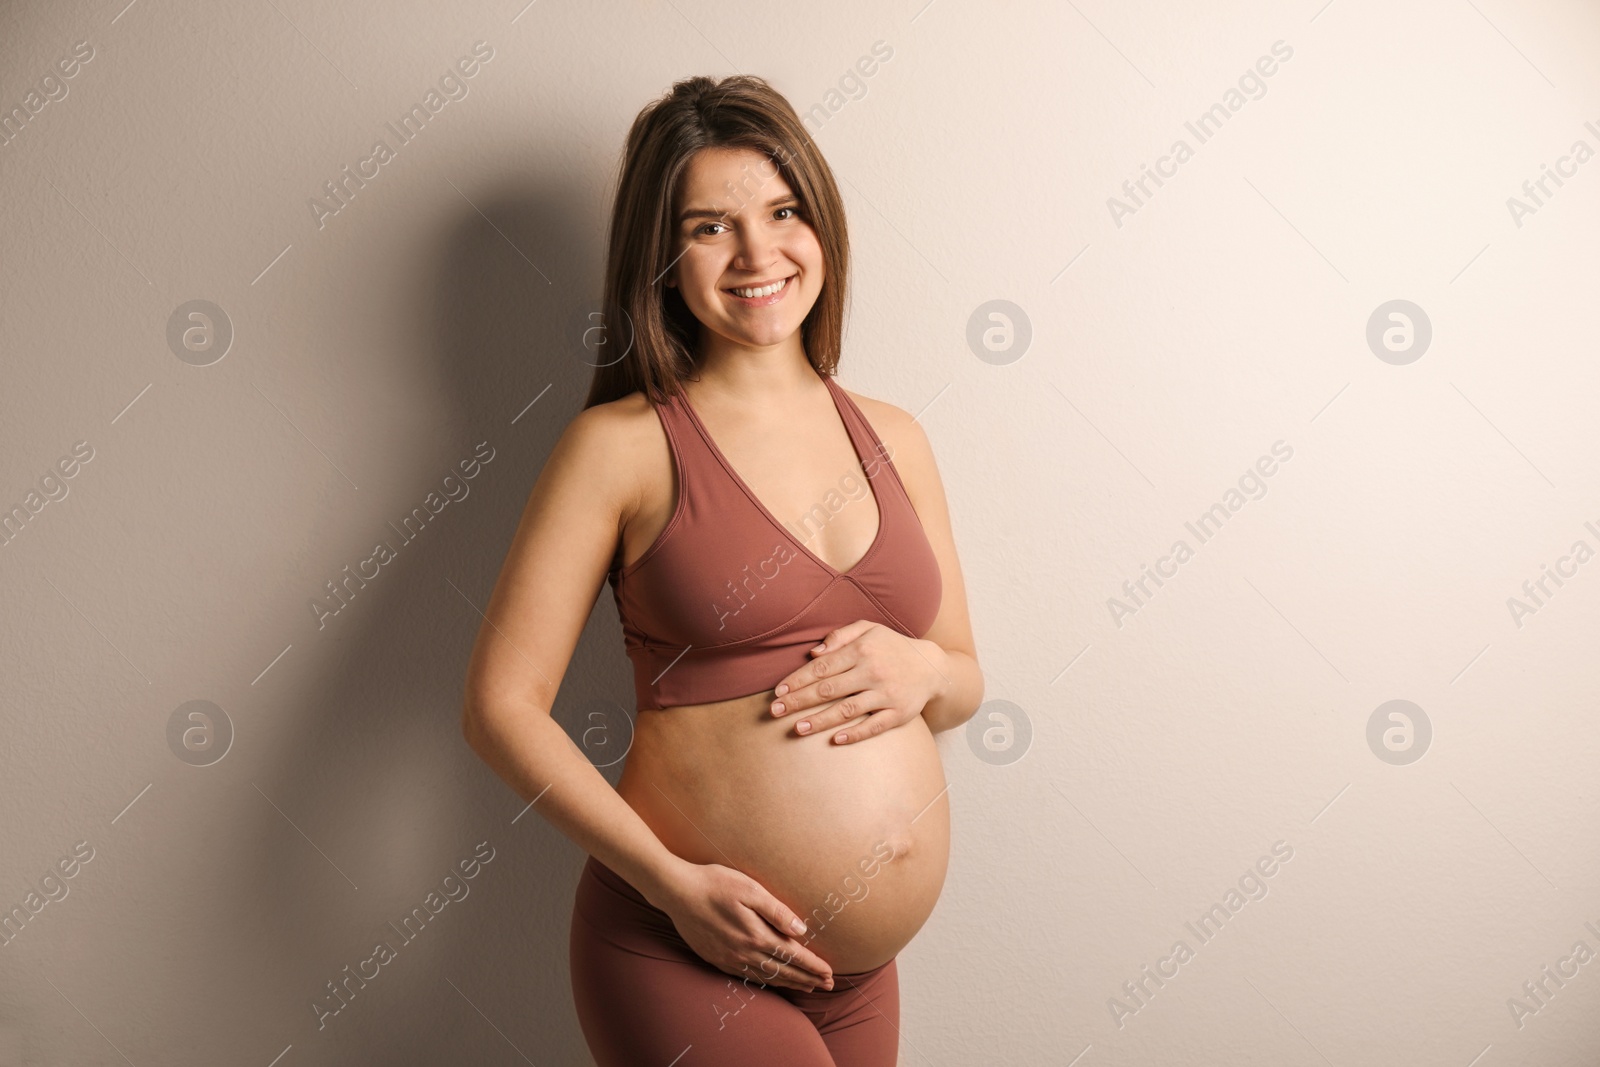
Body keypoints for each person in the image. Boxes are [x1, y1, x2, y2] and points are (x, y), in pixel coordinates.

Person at [461, 73, 983, 1066]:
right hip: (680, 943)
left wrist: (926, 673)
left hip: (858, 977)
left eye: (783, 211)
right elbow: (499, 707)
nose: (758, 253)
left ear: (820, 223)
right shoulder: (619, 446)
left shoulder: (896, 437)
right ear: (661, 256)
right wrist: (668, 882)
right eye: (710, 226)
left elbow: (961, 673)